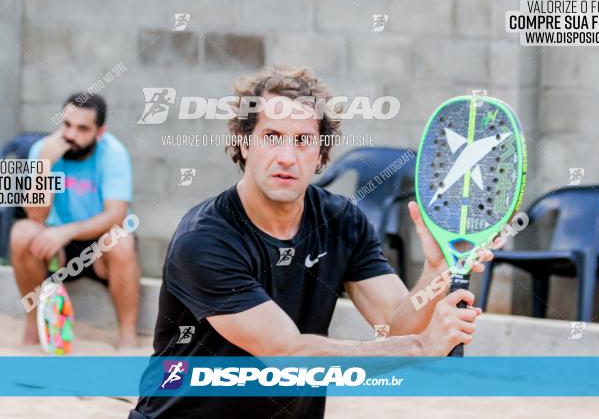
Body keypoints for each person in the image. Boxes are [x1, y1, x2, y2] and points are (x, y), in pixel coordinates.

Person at [132, 65, 493, 418]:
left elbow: (395, 325)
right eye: (272, 137)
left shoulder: (343, 222)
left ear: (321, 154)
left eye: (303, 141)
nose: (287, 157)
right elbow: (287, 354)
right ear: (244, 145)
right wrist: (420, 347)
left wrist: (436, 272)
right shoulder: (205, 240)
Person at [10, 92, 140, 348]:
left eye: (82, 129)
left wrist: (67, 231)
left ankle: (127, 335)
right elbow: (36, 215)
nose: (71, 135)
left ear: (98, 132)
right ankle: (33, 327)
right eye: (67, 125)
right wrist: (45, 164)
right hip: (55, 249)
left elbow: (116, 214)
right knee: (22, 233)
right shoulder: (44, 151)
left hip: (98, 243)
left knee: (121, 239)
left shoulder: (113, 153)